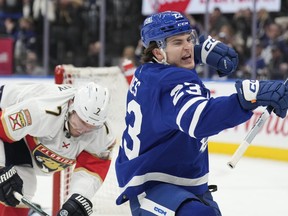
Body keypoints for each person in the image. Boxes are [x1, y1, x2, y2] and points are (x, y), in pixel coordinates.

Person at [115, 11, 288, 216]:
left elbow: (173, 62)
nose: (188, 45)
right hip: (154, 185)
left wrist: (196, 53)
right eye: (178, 42)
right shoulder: (171, 81)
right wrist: (249, 98)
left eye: (189, 38)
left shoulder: (147, 72)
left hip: (171, 179)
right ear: (158, 52)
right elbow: (199, 120)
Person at [0, 82, 115, 216]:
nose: (84, 130)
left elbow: (92, 168)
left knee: (21, 187)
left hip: (24, 136)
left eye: (92, 126)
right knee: (10, 183)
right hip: (5, 112)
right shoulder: (42, 111)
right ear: (72, 105)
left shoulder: (102, 133)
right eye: (82, 121)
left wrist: (78, 197)